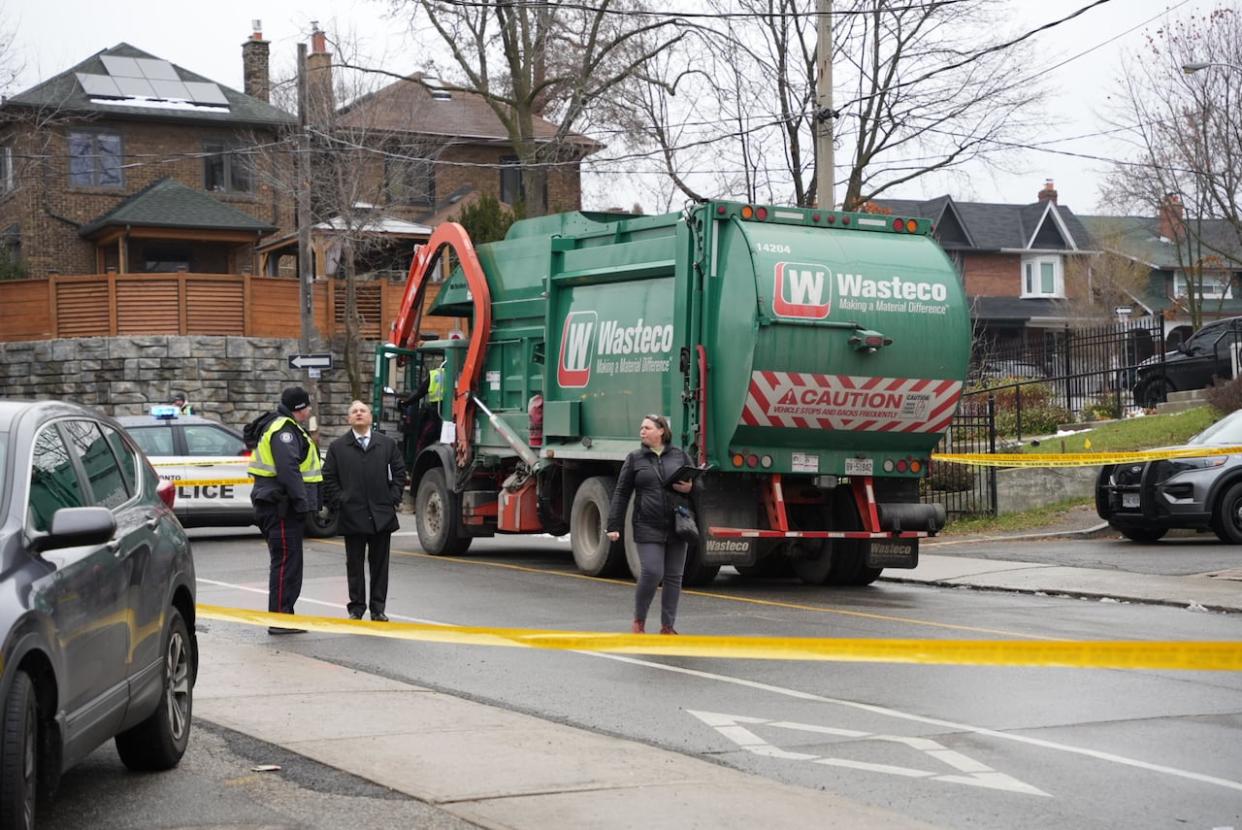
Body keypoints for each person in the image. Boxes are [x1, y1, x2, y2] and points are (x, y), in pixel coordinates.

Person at [606, 413, 695, 634]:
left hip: (677, 525)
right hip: (647, 524)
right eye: (641, 428)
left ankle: (668, 626)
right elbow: (621, 493)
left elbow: (699, 489)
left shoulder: (681, 456)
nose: (642, 431)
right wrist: (613, 525)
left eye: (647, 427)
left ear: (661, 431)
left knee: (674, 577)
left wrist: (690, 488)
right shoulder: (635, 458)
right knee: (653, 572)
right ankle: (639, 621)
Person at [247, 386, 323, 635]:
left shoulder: (285, 426)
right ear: (298, 409)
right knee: (285, 562)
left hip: (280, 503)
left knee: (290, 562)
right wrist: (301, 501)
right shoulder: (284, 430)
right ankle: (280, 618)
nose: (309, 409)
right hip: (281, 505)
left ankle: (285, 614)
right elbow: (288, 468)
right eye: (306, 406)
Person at [322, 400, 407, 622]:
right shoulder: (338, 447)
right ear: (348, 419)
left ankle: (378, 609)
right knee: (355, 564)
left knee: (380, 565)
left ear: (370, 417)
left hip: (381, 515)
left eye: (363, 411)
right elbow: (328, 477)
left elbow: (399, 473)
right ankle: (356, 607)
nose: (359, 414)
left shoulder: (387, 445)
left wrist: (393, 498)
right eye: (354, 411)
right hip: (353, 515)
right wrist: (341, 500)